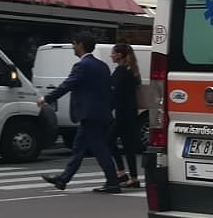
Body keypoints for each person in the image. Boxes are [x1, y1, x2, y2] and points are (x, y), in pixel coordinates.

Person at [38, 34, 120, 193]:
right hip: (101, 114)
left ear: (81, 45)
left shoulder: (82, 66)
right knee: (79, 147)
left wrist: (47, 98)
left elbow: (68, 85)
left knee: (100, 149)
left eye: (74, 44)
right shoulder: (103, 66)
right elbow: (110, 91)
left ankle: (113, 182)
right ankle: (63, 179)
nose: (73, 48)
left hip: (90, 115)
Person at [109, 42, 143, 190]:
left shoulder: (120, 72)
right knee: (128, 146)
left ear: (120, 55)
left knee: (108, 140)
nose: (111, 55)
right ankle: (133, 178)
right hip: (131, 113)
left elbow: (115, 94)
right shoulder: (133, 71)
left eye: (113, 53)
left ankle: (122, 172)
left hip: (122, 114)